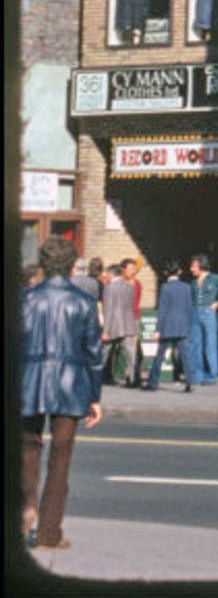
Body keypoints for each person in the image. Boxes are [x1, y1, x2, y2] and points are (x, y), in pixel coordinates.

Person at [21, 236, 105, 551]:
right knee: (60, 459)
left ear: (43, 264)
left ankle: (26, 504)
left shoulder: (25, 299)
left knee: (27, 450)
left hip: (29, 380)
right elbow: (94, 354)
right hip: (71, 383)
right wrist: (94, 398)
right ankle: (49, 532)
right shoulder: (83, 302)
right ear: (72, 266)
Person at [188, 254, 218, 387]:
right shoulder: (193, 281)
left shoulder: (214, 278)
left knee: (210, 344)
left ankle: (211, 375)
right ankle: (197, 375)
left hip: (208, 313)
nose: (191, 269)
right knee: (196, 345)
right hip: (195, 312)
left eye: (193, 266)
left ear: (201, 265)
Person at [146, 263, 196, 392]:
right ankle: (190, 382)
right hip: (183, 326)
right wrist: (189, 326)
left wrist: (158, 330)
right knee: (186, 356)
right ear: (179, 272)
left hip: (167, 326)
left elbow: (163, 309)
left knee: (160, 355)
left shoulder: (165, 287)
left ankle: (152, 383)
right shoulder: (187, 287)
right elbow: (190, 308)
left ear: (166, 273)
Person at [100, 261, 138, 389]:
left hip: (113, 326)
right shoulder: (129, 287)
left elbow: (108, 310)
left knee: (104, 354)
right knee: (131, 355)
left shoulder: (109, 288)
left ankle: (96, 378)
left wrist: (105, 330)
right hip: (127, 325)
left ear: (111, 274)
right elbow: (129, 308)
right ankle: (134, 379)